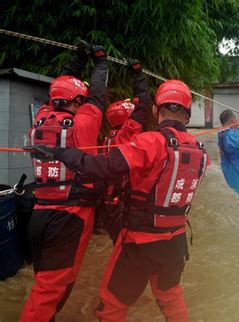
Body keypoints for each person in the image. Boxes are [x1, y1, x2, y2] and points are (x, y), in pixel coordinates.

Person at [29, 79, 210, 322]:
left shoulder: (150, 142)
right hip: (175, 241)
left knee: (112, 305)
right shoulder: (201, 151)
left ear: (157, 110)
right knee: (171, 297)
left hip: (139, 241)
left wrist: (62, 152)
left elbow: (101, 168)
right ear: (187, 116)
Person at [20, 43, 108, 321]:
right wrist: (101, 62)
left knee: (44, 285)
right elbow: (97, 95)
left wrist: (78, 60)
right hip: (69, 218)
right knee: (49, 291)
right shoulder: (83, 124)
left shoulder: (40, 120)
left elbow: (59, 89)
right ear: (78, 101)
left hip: (38, 215)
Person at [94, 59, 151, 241]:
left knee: (119, 245)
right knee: (128, 248)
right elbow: (144, 104)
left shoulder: (105, 140)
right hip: (123, 205)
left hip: (108, 204)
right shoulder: (127, 134)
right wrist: (137, 74)